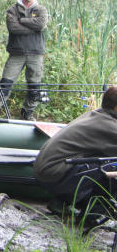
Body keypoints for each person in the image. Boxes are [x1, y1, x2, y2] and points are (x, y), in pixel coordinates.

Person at [34, 86, 117, 219]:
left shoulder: (96, 114)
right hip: (55, 174)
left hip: (49, 171)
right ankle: (93, 216)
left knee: (101, 160)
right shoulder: (108, 126)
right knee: (112, 167)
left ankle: (61, 203)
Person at [0, 0, 49, 121]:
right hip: (17, 53)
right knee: (6, 82)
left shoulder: (41, 9)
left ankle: (28, 112)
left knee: (34, 86)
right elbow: (13, 27)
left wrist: (22, 20)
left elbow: (41, 24)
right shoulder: (12, 9)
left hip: (36, 53)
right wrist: (31, 26)